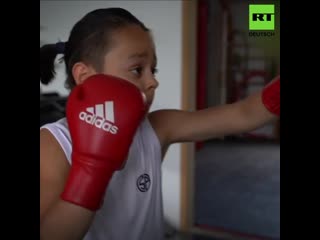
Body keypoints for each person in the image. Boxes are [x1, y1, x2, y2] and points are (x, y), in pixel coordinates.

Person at [40, 7, 280, 240]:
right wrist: (92, 169)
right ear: (86, 77)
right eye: (137, 69)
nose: (153, 81)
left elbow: (245, 114)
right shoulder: (54, 143)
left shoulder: (157, 128)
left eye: (153, 69)